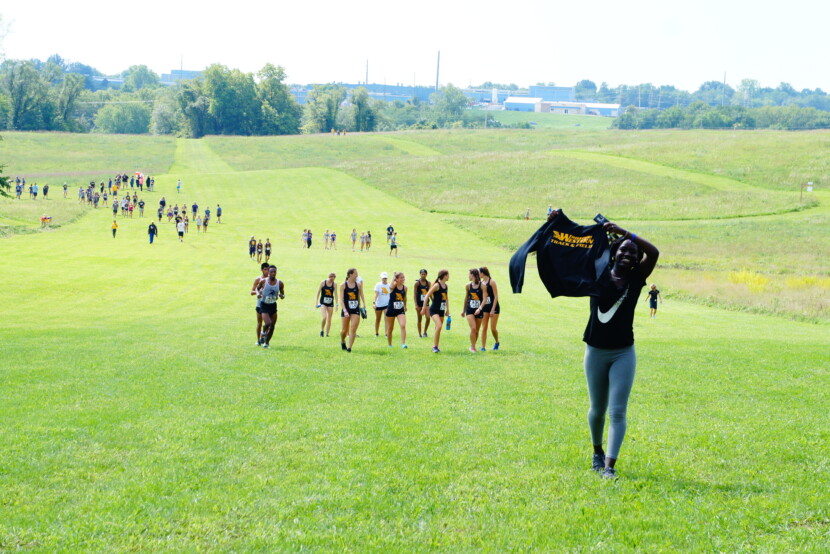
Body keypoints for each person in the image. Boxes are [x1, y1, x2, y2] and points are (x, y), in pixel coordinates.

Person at [583, 222, 659, 480]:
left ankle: (609, 467)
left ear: (637, 260)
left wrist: (627, 234)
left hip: (623, 353)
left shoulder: (637, 279)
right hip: (595, 351)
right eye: (624, 251)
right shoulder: (599, 271)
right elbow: (577, 249)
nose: (628, 255)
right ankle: (597, 452)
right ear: (614, 253)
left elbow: (655, 252)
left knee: (617, 411)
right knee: (597, 409)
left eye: (633, 253)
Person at [256, 265, 285, 348]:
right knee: (268, 323)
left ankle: (266, 343)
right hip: (264, 305)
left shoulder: (280, 283)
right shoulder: (263, 281)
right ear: (268, 273)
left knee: (272, 326)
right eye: (271, 272)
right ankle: (263, 332)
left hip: (273, 305)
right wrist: (258, 294)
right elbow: (257, 289)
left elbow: (283, 293)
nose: (273, 273)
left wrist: (282, 296)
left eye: (274, 272)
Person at [421, 270, 449, 353]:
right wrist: (423, 308)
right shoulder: (437, 285)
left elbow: (446, 298)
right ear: (444, 276)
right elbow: (427, 296)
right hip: (434, 310)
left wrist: (448, 309)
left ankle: (436, 346)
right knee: (439, 326)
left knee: (438, 328)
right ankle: (434, 347)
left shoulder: (446, 286)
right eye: (448, 275)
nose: (448, 277)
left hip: (442, 310)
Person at [339, 268, 366, 352]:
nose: (357, 275)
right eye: (355, 274)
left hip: (355, 309)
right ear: (350, 274)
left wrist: (363, 304)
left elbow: (360, 294)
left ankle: (349, 348)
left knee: (353, 328)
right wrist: (345, 310)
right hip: (346, 309)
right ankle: (343, 341)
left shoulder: (358, 285)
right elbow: (341, 299)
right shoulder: (343, 285)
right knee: (344, 330)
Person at [463, 268, 488, 353]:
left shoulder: (482, 285)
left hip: (479, 310)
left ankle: (472, 345)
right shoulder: (468, 286)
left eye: (469, 274)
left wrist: (479, 308)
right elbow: (466, 298)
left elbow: (485, 299)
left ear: (473, 275)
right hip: (469, 310)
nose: (468, 276)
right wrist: (463, 310)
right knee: (473, 328)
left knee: (476, 330)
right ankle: (473, 347)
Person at [479, 266, 500, 351]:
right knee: (484, 327)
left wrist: (492, 309)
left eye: (479, 273)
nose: (478, 274)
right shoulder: (481, 283)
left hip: (494, 307)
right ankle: (483, 347)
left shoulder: (492, 282)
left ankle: (497, 342)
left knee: (493, 328)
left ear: (483, 273)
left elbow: (496, 296)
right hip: (485, 308)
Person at [385, 272, 408, 348]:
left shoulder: (405, 288)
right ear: (397, 279)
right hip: (391, 309)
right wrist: (393, 276)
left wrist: (405, 305)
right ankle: (389, 344)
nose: (403, 279)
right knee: (390, 328)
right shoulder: (393, 286)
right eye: (401, 277)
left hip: (400, 310)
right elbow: (390, 286)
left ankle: (403, 344)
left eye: (403, 277)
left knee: (403, 325)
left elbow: (405, 298)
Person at [251, 263, 269, 346]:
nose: (267, 271)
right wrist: (259, 291)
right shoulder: (258, 279)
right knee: (259, 323)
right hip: (259, 303)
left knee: (268, 323)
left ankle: (264, 338)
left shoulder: (271, 280)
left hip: (268, 303)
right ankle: (258, 340)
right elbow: (252, 292)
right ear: (262, 270)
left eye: (268, 269)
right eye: (265, 269)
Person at [315, 272, 337, 337]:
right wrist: (316, 302)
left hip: (330, 303)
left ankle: (327, 333)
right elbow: (318, 292)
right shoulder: (323, 283)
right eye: (330, 278)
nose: (331, 280)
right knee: (324, 317)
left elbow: (336, 294)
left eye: (332, 279)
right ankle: (322, 330)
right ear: (328, 277)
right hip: (323, 303)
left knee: (329, 319)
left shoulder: (335, 284)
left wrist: (337, 304)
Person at [414, 269, 431, 338]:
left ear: (426, 275)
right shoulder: (417, 284)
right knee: (419, 318)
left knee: (428, 317)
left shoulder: (428, 283)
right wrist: (416, 304)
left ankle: (425, 332)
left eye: (424, 274)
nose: (423, 275)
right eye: (422, 274)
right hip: (419, 303)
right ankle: (419, 334)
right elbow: (415, 294)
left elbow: (430, 293)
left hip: (426, 303)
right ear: (420, 274)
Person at [373, 272, 391, 337]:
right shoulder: (378, 285)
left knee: (386, 318)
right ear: (381, 278)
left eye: (385, 278)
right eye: (383, 278)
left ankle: (386, 333)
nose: (384, 279)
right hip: (379, 304)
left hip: (387, 304)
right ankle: (376, 333)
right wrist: (374, 303)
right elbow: (376, 294)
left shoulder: (389, 285)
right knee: (378, 319)